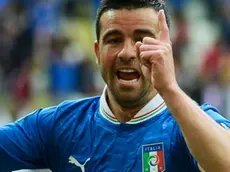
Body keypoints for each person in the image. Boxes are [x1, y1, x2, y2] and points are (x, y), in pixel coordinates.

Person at [0, 0, 230, 171]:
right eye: (114, 39)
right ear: (98, 52)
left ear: (166, 51)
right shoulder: (59, 125)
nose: (127, 53)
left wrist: (169, 88)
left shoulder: (191, 126)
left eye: (142, 39)